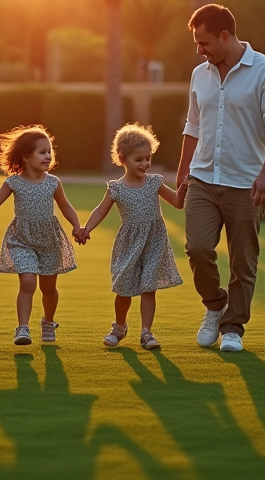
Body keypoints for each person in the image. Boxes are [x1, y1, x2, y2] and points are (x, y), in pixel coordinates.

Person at [175, 4, 265, 353]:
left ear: (226, 36)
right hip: (203, 179)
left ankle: (233, 328)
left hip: (246, 183)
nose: (200, 50)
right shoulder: (201, 74)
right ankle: (215, 304)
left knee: (243, 259)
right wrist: (182, 174)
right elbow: (192, 127)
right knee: (197, 248)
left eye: (204, 42)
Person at [0, 125, 81, 346]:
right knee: (27, 282)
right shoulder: (14, 182)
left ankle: (48, 322)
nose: (48, 155)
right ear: (26, 156)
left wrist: (77, 226)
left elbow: (66, 208)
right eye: (42, 152)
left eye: (49, 151)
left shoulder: (53, 183)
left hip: (49, 240)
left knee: (48, 288)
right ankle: (23, 328)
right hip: (22, 240)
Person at [77, 124, 186, 351]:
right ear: (122, 158)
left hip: (154, 240)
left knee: (149, 286)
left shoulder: (154, 182)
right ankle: (119, 326)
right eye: (139, 159)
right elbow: (100, 211)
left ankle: (146, 333)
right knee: (124, 288)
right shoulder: (116, 188)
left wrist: (184, 188)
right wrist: (86, 228)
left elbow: (177, 203)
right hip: (129, 242)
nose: (145, 164)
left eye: (148, 158)